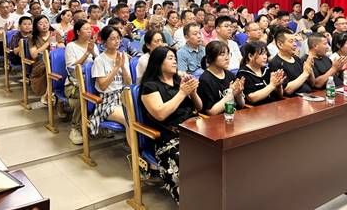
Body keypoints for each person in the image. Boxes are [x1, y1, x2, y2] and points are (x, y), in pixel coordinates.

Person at [140, 46, 202, 204]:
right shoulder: (150, 86)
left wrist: (193, 92)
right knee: (187, 161)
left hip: (195, 130)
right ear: (158, 62)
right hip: (170, 138)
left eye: (175, 58)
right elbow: (160, 114)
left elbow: (199, 107)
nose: (175, 61)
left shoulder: (178, 82)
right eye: (170, 58)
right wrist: (182, 93)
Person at [89, 26, 131, 137]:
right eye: (112, 38)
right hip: (107, 101)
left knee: (142, 114)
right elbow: (102, 86)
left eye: (118, 38)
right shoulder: (99, 60)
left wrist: (123, 67)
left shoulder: (123, 56)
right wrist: (116, 67)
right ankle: (134, 147)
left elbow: (128, 83)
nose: (117, 41)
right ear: (104, 42)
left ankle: (138, 145)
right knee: (129, 118)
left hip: (123, 96)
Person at [64, 20, 99, 145]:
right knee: (82, 96)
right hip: (74, 84)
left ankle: (98, 123)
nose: (90, 31)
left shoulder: (93, 45)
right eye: (86, 29)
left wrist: (93, 51)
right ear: (78, 32)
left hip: (92, 82)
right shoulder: (71, 46)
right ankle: (75, 128)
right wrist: (87, 52)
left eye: (90, 29)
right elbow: (72, 70)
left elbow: (100, 63)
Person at [198, 41, 245, 115]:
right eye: (222, 55)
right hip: (218, 119)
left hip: (235, 115)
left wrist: (238, 93)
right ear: (211, 57)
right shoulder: (204, 80)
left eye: (228, 54)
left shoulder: (230, 75)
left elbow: (242, 105)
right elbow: (211, 112)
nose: (227, 58)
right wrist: (231, 94)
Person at [236, 41, 284, 106]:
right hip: (257, 109)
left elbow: (280, 96)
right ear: (250, 56)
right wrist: (272, 85)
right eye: (262, 54)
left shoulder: (267, 70)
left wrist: (278, 86)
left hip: (274, 106)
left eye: (266, 54)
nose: (265, 57)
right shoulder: (243, 74)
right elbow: (252, 98)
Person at [28, 15, 64, 100]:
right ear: (36, 26)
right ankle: (49, 93)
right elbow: (34, 55)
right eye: (41, 24)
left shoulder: (55, 33)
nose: (44, 25)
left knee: (56, 64)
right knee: (50, 65)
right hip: (40, 63)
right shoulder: (32, 37)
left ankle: (50, 93)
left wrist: (57, 44)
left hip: (55, 61)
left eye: (46, 23)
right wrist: (48, 43)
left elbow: (62, 48)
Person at [270, 28, 315, 96]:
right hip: (293, 99)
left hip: (308, 95)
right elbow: (287, 90)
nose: (295, 44)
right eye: (291, 41)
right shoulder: (275, 63)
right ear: (280, 44)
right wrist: (305, 73)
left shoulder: (297, 59)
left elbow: (312, 84)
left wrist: (310, 70)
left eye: (295, 41)